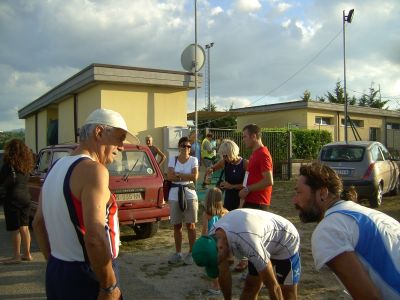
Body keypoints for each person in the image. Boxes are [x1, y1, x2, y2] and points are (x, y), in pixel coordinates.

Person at [33, 108, 138, 299]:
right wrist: (108, 287)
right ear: (99, 133)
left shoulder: (55, 168)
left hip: (58, 271)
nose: (122, 146)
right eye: (120, 138)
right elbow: (94, 236)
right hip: (89, 273)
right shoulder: (93, 170)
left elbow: (38, 223)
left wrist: (55, 261)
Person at [293, 162, 400, 299]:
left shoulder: (328, 230)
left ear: (323, 193)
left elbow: (368, 297)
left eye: (298, 192)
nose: (294, 201)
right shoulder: (368, 214)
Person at [192, 208, 301, 300]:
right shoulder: (213, 238)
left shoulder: (247, 241)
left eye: (215, 263)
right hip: (259, 238)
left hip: (284, 240)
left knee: (286, 291)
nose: (217, 265)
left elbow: (273, 287)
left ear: (220, 247)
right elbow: (223, 274)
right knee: (250, 286)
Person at [206, 139, 249, 272]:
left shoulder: (245, 164)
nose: (224, 158)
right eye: (222, 156)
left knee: (241, 229)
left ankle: (244, 259)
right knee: (229, 227)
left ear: (232, 152)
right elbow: (214, 167)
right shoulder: (225, 161)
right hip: (229, 198)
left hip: (241, 198)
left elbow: (246, 185)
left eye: (226, 155)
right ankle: (230, 255)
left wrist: (231, 186)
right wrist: (210, 170)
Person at [0, 139, 34, 264]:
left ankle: (16, 256)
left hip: (12, 198)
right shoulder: (26, 165)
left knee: (14, 228)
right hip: (26, 197)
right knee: (24, 227)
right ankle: (27, 254)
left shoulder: (8, 166)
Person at [167, 136, 199, 265]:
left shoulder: (193, 159)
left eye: (189, 146)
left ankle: (191, 252)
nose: (186, 148)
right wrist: (185, 176)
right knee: (177, 225)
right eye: (184, 146)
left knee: (191, 225)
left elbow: (195, 176)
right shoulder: (172, 159)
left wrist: (178, 175)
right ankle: (178, 253)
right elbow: (169, 177)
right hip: (175, 195)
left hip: (190, 194)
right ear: (179, 147)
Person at [201, 187, 229, 295]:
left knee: (212, 265)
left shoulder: (206, 214)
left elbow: (205, 230)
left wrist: (203, 243)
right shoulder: (226, 212)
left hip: (212, 243)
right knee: (223, 265)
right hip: (224, 243)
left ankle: (216, 286)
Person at [239, 124, 273, 210]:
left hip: (258, 203)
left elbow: (269, 181)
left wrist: (247, 189)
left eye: (245, 137)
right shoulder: (255, 153)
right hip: (251, 201)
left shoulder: (263, 154)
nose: (243, 140)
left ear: (254, 136)